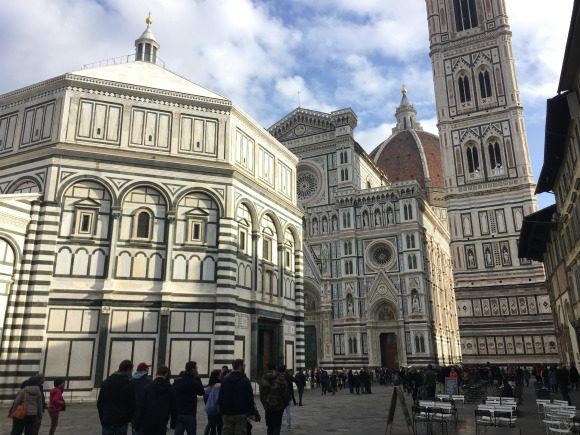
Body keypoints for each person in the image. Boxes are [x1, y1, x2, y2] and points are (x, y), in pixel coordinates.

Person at [97, 360, 136, 435]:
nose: (132, 373)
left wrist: (103, 418)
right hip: (121, 423)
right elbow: (132, 405)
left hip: (107, 422)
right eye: (131, 370)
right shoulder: (128, 384)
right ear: (128, 370)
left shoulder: (106, 382)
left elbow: (100, 403)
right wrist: (127, 419)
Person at [219, 359, 256, 435]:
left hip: (227, 412)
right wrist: (251, 412)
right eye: (243, 365)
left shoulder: (225, 380)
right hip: (241, 413)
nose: (244, 367)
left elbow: (221, 397)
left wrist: (222, 410)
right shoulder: (245, 380)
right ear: (240, 366)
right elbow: (249, 398)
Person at [134, 366, 173, 435]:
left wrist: (136, 424)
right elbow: (173, 407)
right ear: (166, 374)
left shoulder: (148, 387)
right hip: (161, 424)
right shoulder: (170, 389)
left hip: (147, 423)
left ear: (157, 373)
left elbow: (141, 406)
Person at [172, 361, 205, 435]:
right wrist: (198, 378)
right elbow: (201, 392)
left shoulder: (178, 381)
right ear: (193, 370)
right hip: (190, 413)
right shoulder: (194, 382)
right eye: (196, 368)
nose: (197, 370)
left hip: (179, 412)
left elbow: (173, 394)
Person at [260, 364, 290, 435]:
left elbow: (261, 394)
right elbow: (285, 393)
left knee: (270, 426)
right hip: (278, 407)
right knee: (277, 426)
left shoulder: (264, 378)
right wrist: (285, 404)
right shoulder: (280, 378)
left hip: (268, 407)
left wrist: (265, 404)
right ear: (275, 368)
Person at [131, 363, 152, 435]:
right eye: (147, 368)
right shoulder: (148, 381)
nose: (148, 370)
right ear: (144, 370)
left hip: (133, 410)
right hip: (145, 412)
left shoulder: (132, 380)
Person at [204, 369, 223, 435]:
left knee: (211, 425)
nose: (221, 375)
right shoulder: (219, 386)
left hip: (210, 409)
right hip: (217, 410)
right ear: (217, 376)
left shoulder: (208, 388)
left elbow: (205, 399)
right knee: (219, 426)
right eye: (220, 374)